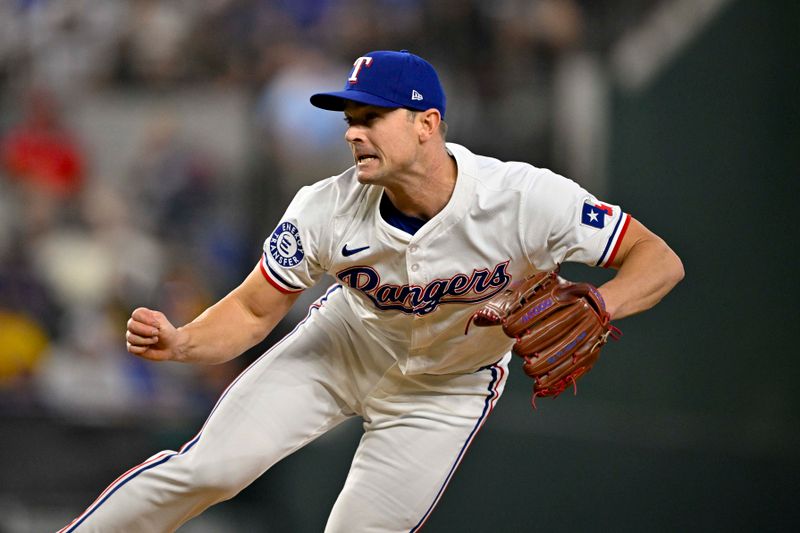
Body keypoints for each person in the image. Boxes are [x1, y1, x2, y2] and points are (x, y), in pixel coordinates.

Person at [60, 50, 683, 532]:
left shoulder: (525, 200)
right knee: (211, 468)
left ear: (426, 124)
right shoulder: (325, 208)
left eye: (372, 117)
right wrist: (183, 341)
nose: (353, 132)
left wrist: (604, 303)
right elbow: (255, 307)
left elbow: (658, 259)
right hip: (343, 346)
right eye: (351, 119)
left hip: (447, 389)